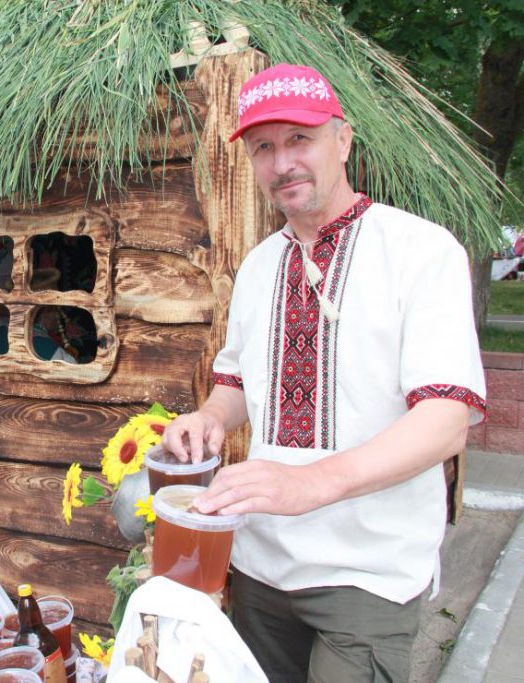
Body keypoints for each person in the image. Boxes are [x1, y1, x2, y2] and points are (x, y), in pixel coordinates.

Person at [162, 64, 486, 683]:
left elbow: (446, 421)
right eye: (264, 148)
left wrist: (312, 483)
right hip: (258, 561)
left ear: (343, 140)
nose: (282, 163)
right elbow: (237, 380)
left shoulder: (420, 251)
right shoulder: (259, 266)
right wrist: (209, 417)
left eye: (299, 139)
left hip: (368, 572)